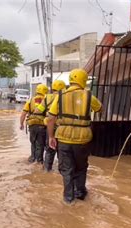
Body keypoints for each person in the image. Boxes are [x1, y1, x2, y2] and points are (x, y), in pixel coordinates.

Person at [46, 69, 102, 204]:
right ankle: (80, 193)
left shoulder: (60, 95)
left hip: (64, 139)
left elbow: (50, 118)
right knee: (81, 167)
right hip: (83, 139)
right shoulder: (89, 96)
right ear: (83, 81)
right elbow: (100, 109)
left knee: (66, 169)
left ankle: (68, 199)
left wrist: (51, 136)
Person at [35, 80, 66, 172]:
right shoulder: (65, 97)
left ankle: (47, 171)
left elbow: (38, 111)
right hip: (62, 128)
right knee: (62, 151)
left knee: (49, 149)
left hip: (50, 127)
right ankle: (62, 171)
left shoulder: (47, 97)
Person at [20, 84, 49, 163]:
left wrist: (21, 124)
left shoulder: (30, 100)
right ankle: (39, 162)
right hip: (42, 126)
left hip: (32, 125)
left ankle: (33, 158)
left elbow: (23, 113)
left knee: (33, 142)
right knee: (40, 144)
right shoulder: (46, 100)